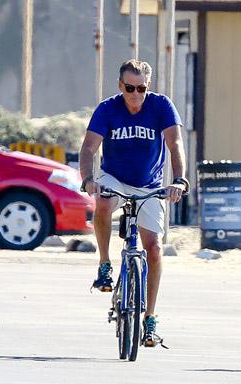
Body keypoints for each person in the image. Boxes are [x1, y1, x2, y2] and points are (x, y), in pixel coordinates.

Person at [79, 59, 188, 347]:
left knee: (153, 248)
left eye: (141, 88)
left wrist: (179, 180)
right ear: (120, 86)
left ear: (148, 87)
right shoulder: (108, 108)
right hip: (114, 177)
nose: (136, 94)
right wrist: (88, 178)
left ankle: (149, 319)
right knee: (102, 202)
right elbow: (89, 147)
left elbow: (174, 144)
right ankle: (105, 264)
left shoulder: (161, 106)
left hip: (150, 185)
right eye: (130, 88)